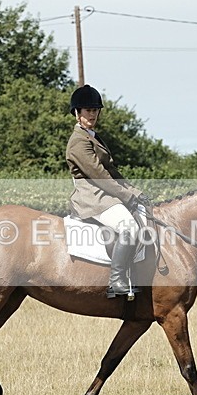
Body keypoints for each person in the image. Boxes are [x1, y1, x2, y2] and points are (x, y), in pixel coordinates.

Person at [65, 84, 151, 299]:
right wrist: (126, 196)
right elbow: (99, 175)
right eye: (87, 110)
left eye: (95, 110)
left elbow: (112, 172)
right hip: (92, 198)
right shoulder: (78, 142)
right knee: (129, 227)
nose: (92, 115)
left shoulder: (93, 137)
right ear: (77, 113)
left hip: (106, 194)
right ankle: (117, 281)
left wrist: (135, 192)